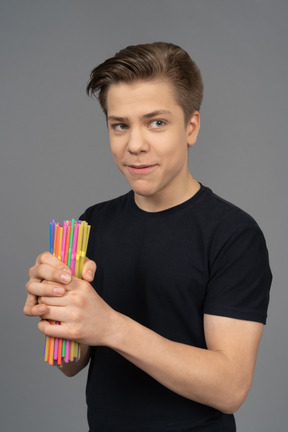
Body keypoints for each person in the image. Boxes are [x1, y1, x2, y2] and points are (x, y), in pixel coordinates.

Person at [24, 42, 272, 431]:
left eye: (156, 122)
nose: (134, 145)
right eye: (119, 125)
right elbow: (71, 365)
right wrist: (57, 313)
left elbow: (230, 388)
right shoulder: (94, 222)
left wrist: (110, 326)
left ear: (191, 127)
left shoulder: (233, 235)